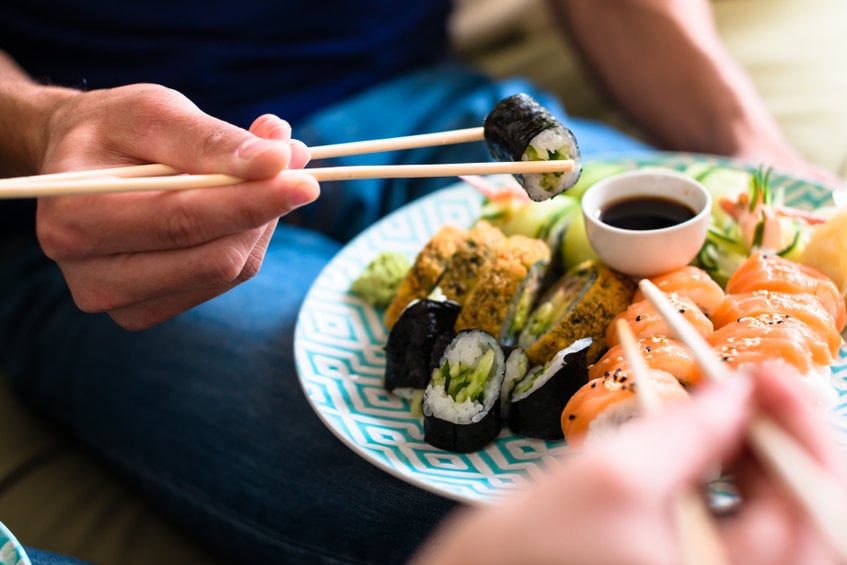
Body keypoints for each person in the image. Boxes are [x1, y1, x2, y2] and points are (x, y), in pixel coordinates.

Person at [0, 0, 842, 563]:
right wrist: (39, 123)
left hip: (448, 117)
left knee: (802, 447)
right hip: (103, 188)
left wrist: (752, 148)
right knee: (541, 523)